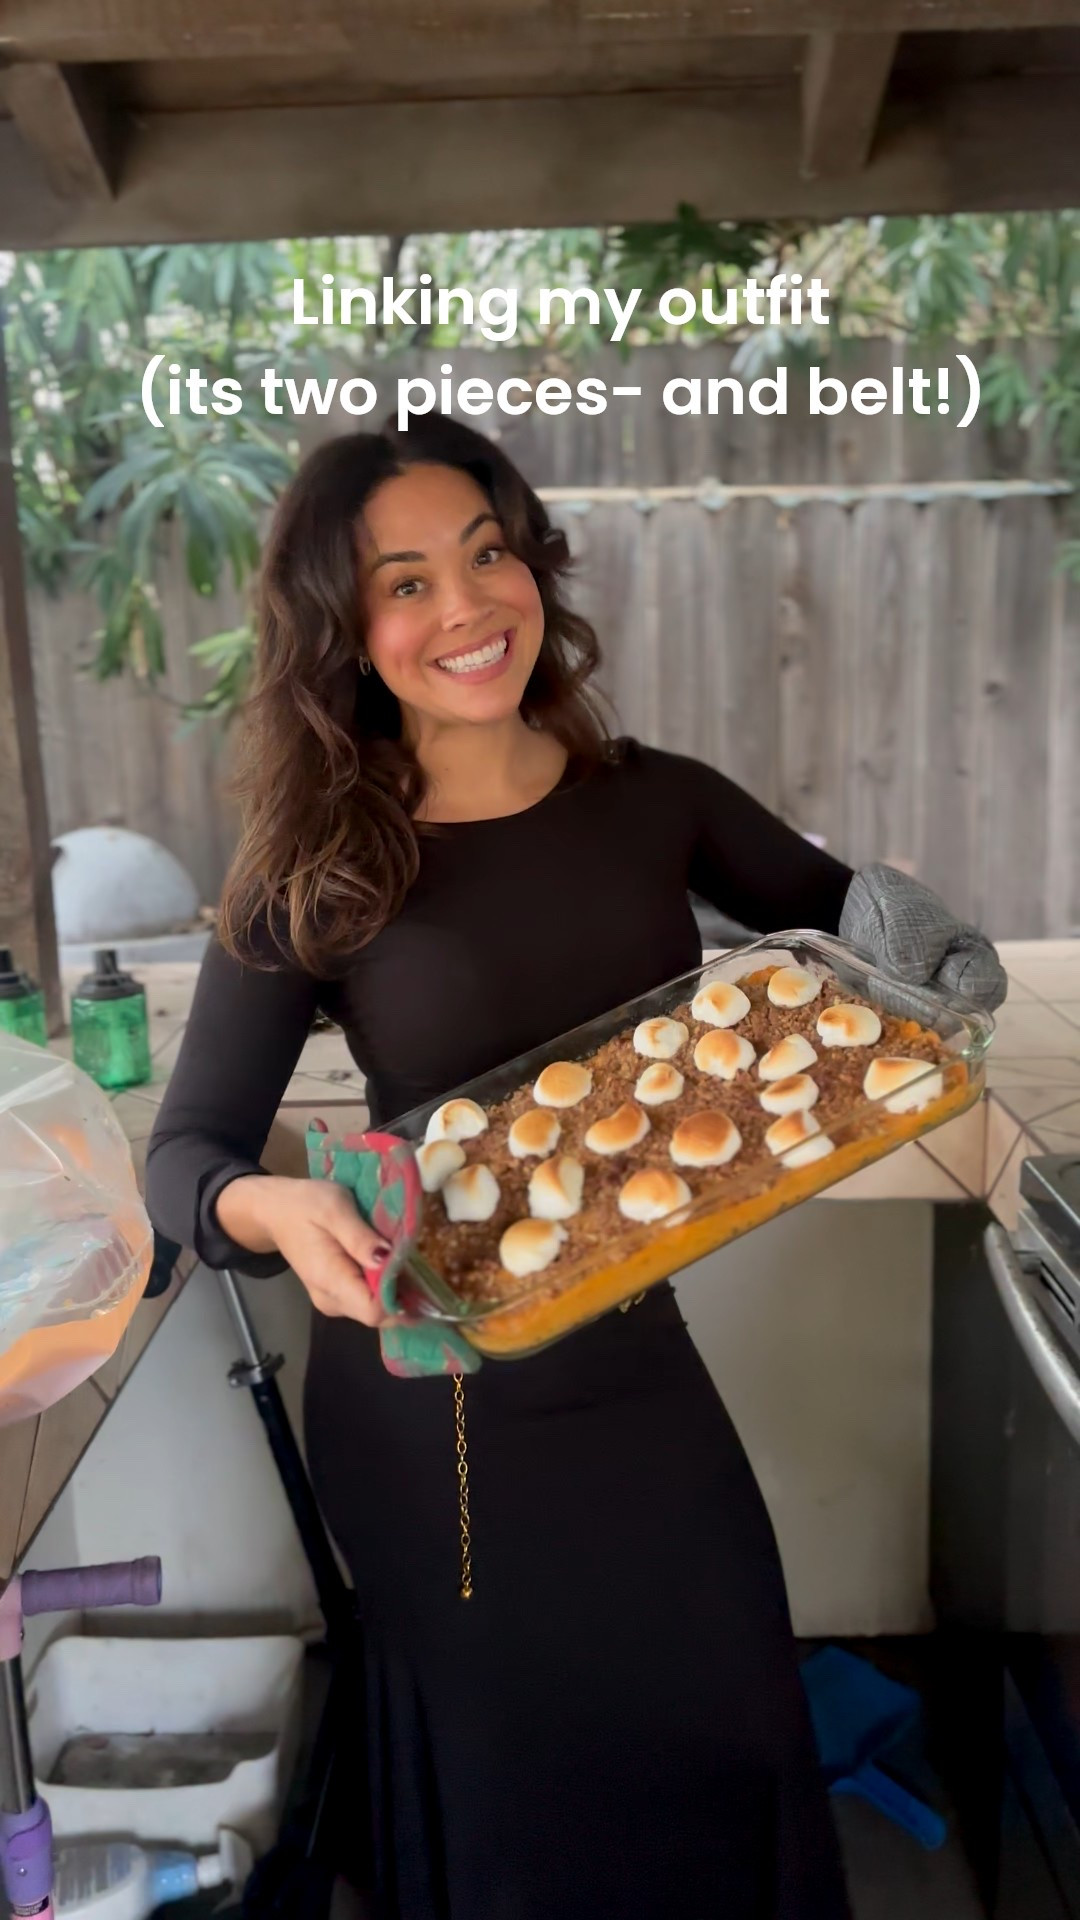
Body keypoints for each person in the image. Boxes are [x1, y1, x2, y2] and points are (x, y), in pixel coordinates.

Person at [145, 414, 1005, 1920]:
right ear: (343, 628)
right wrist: (269, 1204)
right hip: (440, 1400)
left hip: (630, 1353)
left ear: (534, 559)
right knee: (516, 1778)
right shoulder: (320, 861)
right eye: (402, 582)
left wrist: (936, 961)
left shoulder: (653, 797)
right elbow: (188, 1156)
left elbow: (858, 941)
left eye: (486, 553)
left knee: (723, 1700)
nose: (465, 608)